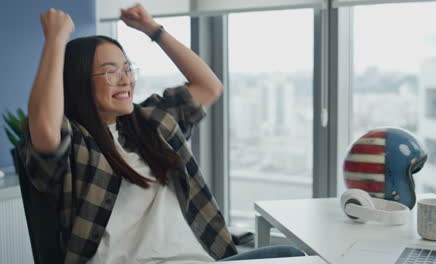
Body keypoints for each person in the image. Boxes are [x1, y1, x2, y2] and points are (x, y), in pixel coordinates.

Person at [18, 3, 306, 264]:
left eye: (127, 68)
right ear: (80, 82)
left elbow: (210, 87)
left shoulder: (152, 123)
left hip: (198, 259)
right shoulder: (77, 143)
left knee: (292, 256)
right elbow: (44, 127)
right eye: (110, 71)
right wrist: (55, 40)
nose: (125, 79)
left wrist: (153, 30)